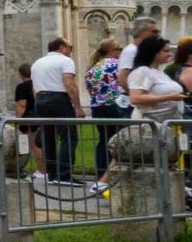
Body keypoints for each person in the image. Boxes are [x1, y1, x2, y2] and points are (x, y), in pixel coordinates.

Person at [29, 37, 84, 183]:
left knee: (48, 137)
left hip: (40, 99)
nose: (71, 50)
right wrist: (78, 107)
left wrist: (39, 102)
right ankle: (64, 175)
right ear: (61, 47)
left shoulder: (37, 63)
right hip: (58, 98)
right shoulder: (65, 61)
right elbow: (69, 83)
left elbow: (34, 88)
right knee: (68, 136)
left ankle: (52, 174)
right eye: (69, 47)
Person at [83, 39, 128, 178]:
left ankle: (101, 174)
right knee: (121, 140)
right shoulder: (118, 65)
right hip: (116, 105)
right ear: (112, 50)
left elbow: (91, 91)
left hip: (98, 107)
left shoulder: (92, 68)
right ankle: (116, 174)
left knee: (104, 140)